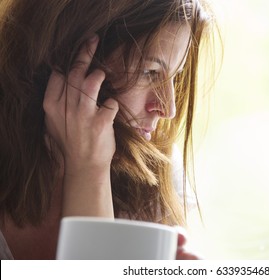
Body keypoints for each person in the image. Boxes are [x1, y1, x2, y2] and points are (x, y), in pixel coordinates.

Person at [0, 0, 216, 259]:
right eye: (150, 72)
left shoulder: (156, 178)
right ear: (69, 58)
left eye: (175, 77)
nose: (167, 108)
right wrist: (88, 166)